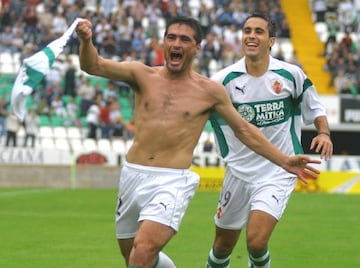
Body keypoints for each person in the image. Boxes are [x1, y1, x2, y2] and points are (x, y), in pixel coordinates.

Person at [76, 16, 321, 268]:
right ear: (163, 43)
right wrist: (86, 40)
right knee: (133, 257)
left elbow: (244, 130)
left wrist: (284, 161)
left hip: (171, 180)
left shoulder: (209, 91)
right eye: (171, 37)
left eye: (185, 39)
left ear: (197, 48)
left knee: (143, 252)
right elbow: (93, 65)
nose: (176, 44)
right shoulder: (141, 74)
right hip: (132, 175)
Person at [205, 13, 333, 268]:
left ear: (271, 40)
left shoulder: (291, 74)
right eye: (247, 31)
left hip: (278, 170)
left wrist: (323, 133)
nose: (251, 36)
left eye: (258, 32)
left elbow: (315, 108)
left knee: (256, 241)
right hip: (238, 172)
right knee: (221, 247)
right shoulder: (222, 81)